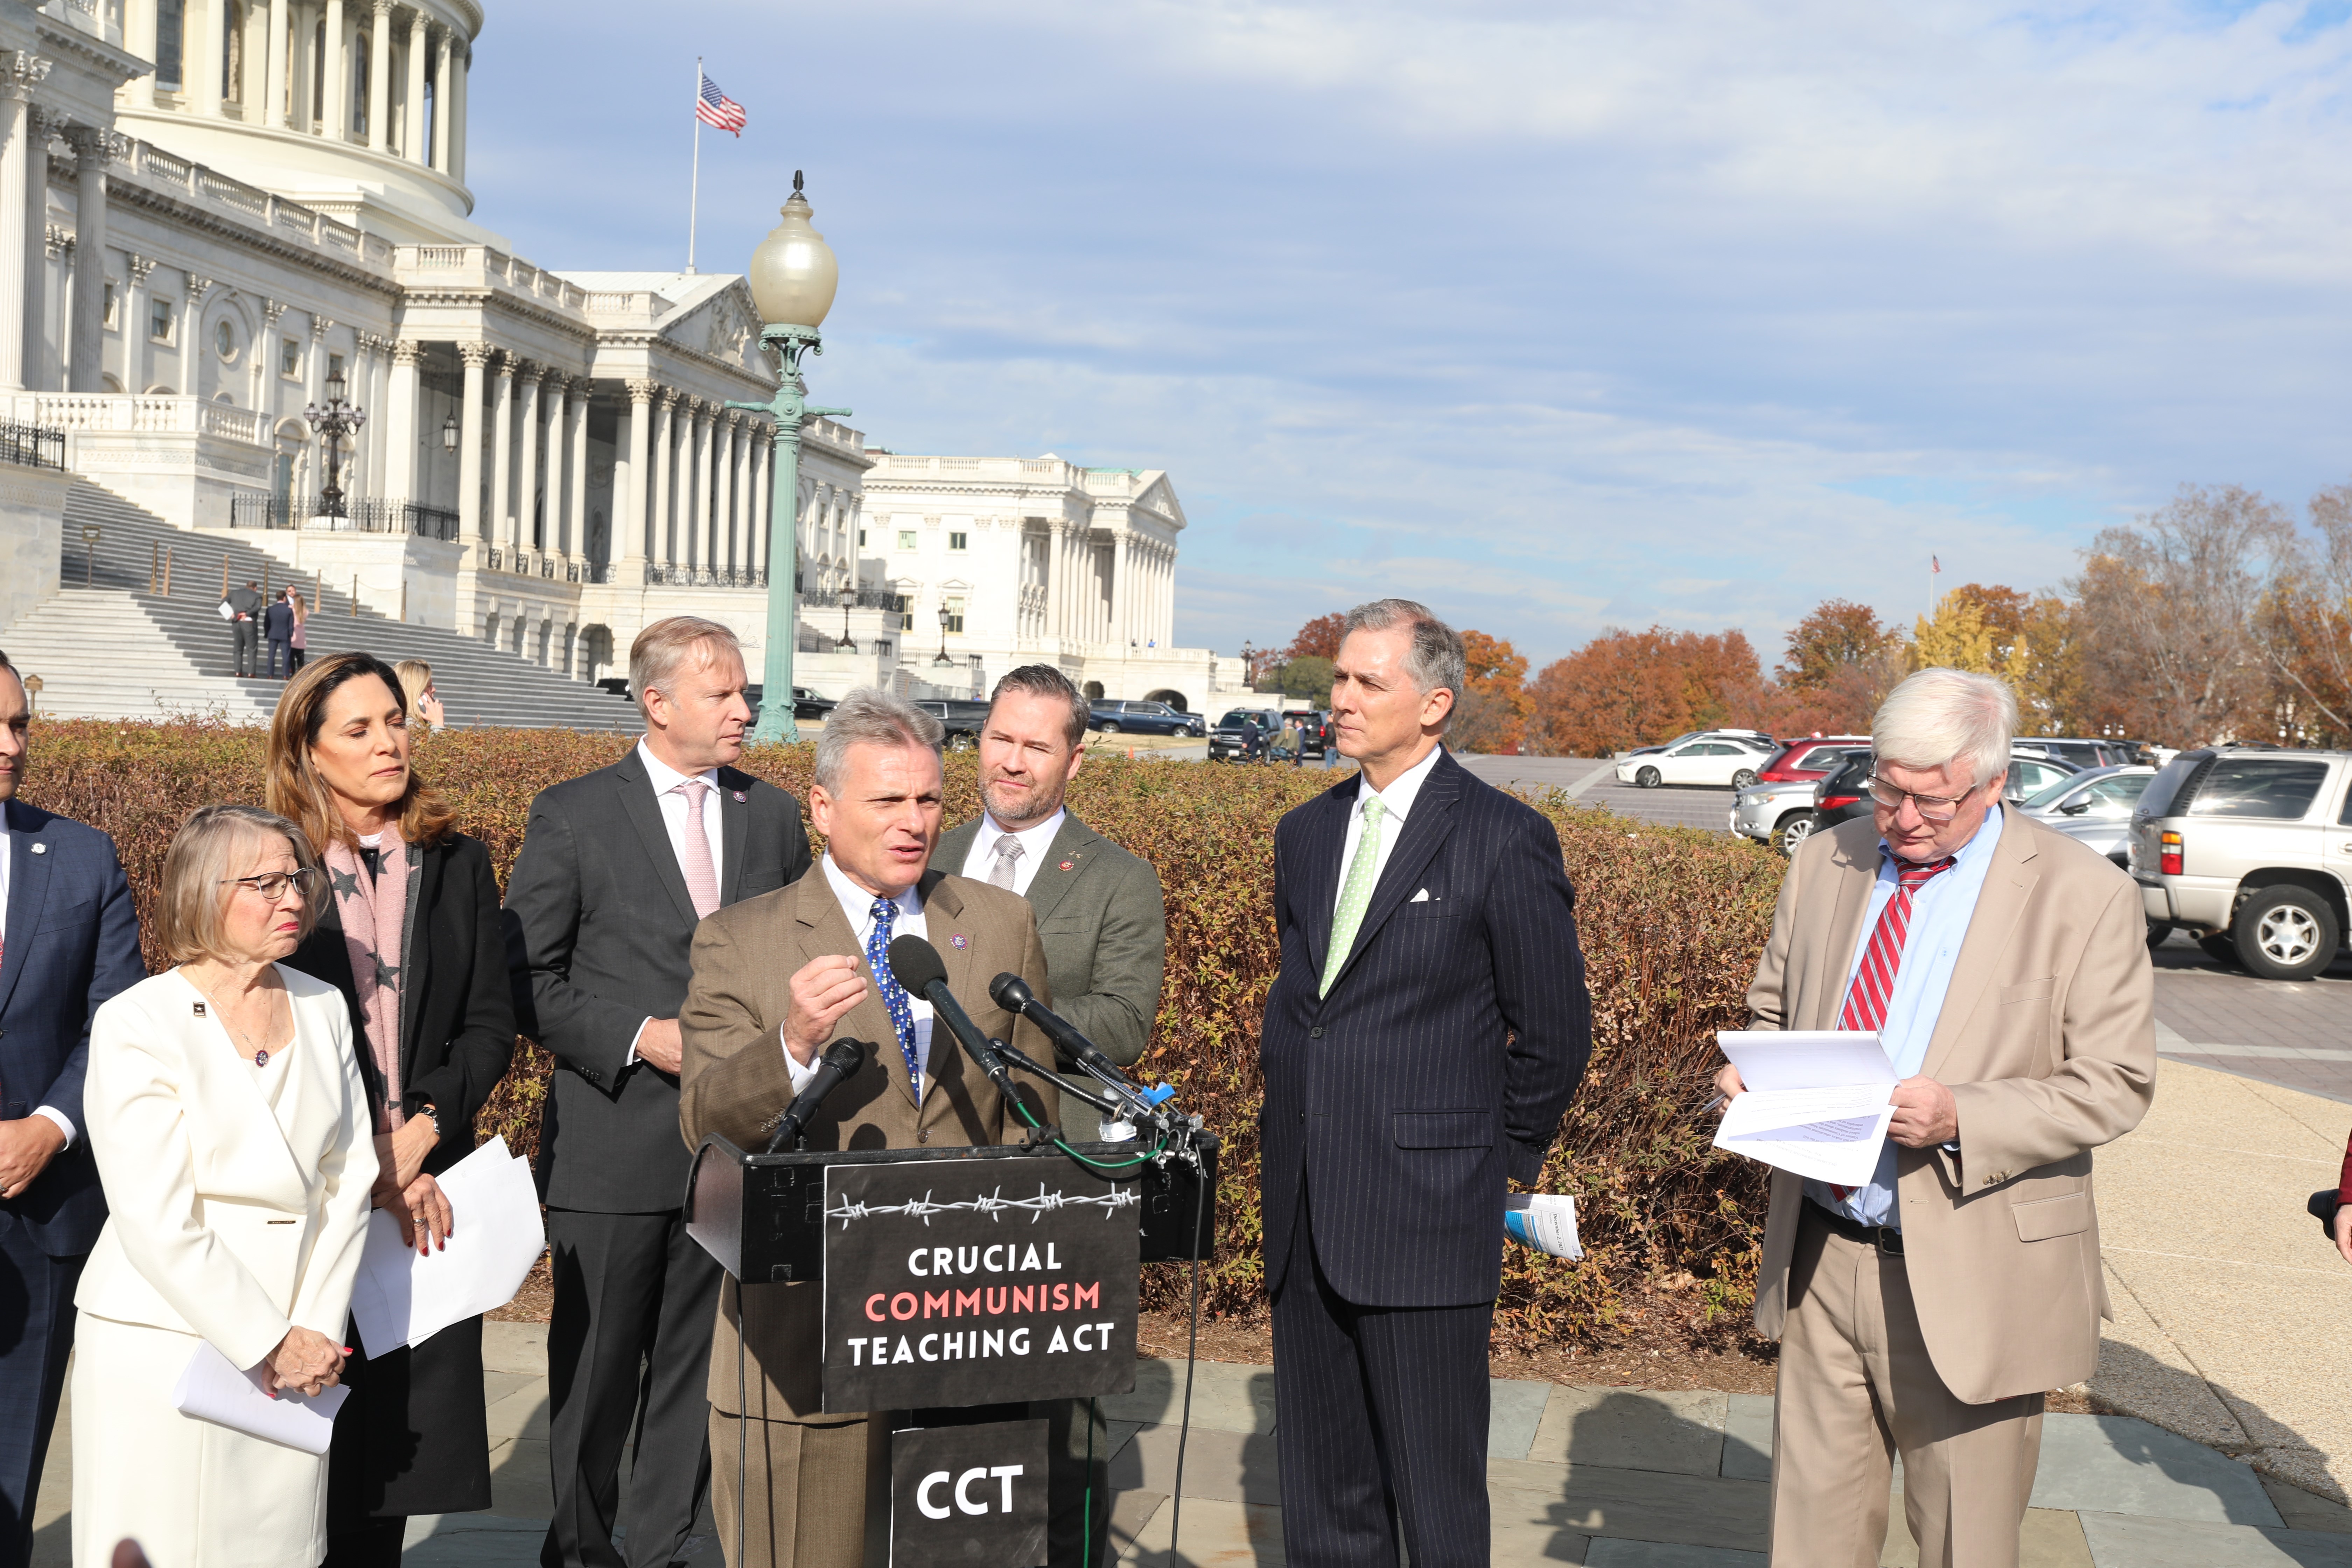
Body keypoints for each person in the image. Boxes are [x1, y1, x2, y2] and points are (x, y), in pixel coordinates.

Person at [1715, 667, 2156, 1568]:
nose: (1904, 818)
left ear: (1995, 783)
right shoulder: (1825, 860)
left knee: (1965, 1545)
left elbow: (2117, 1081)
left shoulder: (2083, 893)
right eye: (1888, 790)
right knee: (1809, 1543)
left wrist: (1963, 1114)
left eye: (1932, 800)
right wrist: (1747, 1075)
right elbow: (1773, 1016)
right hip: (1823, 1251)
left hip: (1976, 1266)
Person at [678, 688, 1057, 1568]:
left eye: (928, 798)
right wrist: (789, 1045)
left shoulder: (1000, 925)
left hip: (964, 1335)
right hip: (804, 1348)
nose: (914, 821)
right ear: (822, 808)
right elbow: (703, 1124)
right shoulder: (740, 939)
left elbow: (1032, 1119)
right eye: (887, 800)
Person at [1259, 598, 1591, 1568]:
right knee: (1325, 1503)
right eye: (1339, 678)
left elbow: (1556, 1032)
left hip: (1428, 1217)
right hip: (1305, 1209)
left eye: (1369, 682)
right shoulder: (1305, 833)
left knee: (1436, 1501)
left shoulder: (1503, 837)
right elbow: (1311, 1004)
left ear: (1435, 703)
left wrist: (1494, 1165)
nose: (1342, 699)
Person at [505, 617, 813, 1568]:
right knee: (596, 1377)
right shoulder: (574, 815)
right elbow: (525, 978)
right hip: (613, 1146)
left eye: (744, 692)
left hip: (732, 1148)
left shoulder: (773, 816)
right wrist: (642, 1036)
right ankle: (580, 1551)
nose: (744, 709)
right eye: (723, 694)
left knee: (695, 1373)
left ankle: (663, 1549)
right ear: (658, 703)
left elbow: (802, 953)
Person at [71, 803, 378, 1568]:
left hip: (299, 1342)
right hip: (163, 1339)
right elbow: (153, 1214)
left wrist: (312, 1331)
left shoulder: (323, 1004)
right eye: (264, 883)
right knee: (163, 1543)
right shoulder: (139, 1020)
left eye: (297, 879)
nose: (292, 898)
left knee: (272, 1547)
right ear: (202, 892)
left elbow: (348, 1178)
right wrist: (267, 1338)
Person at [270, 653, 518, 1568]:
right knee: (294, 1458)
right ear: (309, 749)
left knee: (393, 1467)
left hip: (423, 1194)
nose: (389, 742)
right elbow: (255, 1029)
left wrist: (419, 1135)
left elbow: (489, 1024)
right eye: (360, 728)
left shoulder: (457, 860)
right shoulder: (271, 861)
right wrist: (365, 1164)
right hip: (305, 1193)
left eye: (397, 720)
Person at [929, 663, 1167, 1568]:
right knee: (930, 1385)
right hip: (929, 1161)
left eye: (1037, 745)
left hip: (1053, 1166)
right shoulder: (927, 852)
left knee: (1059, 1404)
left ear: (1075, 759)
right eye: (1001, 738)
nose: (1012, 761)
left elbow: (1125, 1020)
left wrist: (990, 1022)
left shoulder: (1118, 879)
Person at [0, 649, 144, 1568]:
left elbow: (117, 1021)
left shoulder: (83, 856)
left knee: (12, 1480)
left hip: (40, 1208)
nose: (11, 744)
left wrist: (50, 1127)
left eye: (18, 723)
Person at [224, 578, 264, 678]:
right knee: (252, 649)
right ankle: (251, 673)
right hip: (249, 623)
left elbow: (223, 602)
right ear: (255, 588)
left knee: (238, 648)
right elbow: (257, 607)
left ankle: (238, 672)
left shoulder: (234, 593)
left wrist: (231, 615)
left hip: (236, 622)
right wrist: (247, 614)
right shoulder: (257, 596)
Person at [393, 659, 445, 734]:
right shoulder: (409, 725)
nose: (434, 690)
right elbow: (437, 742)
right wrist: (438, 723)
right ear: (418, 692)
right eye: (429, 686)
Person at [264, 589, 296, 679]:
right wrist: (291, 634)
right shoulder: (289, 610)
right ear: (285, 598)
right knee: (286, 656)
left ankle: (270, 675)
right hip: (285, 635)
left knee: (271, 655)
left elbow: (267, 623)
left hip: (273, 634)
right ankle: (285, 675)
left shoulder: (270, 609)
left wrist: (267, 633)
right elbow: (291, 624)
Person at [287, 588, 310, 673]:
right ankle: (301, 674)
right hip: (301, 635)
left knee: (291, 657)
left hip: (294, 634)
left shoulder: (291, 609)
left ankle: (292, 673)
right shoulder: (306, 612)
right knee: (301, 658)